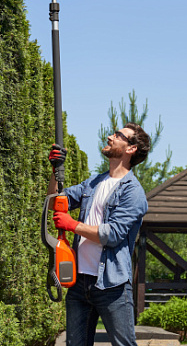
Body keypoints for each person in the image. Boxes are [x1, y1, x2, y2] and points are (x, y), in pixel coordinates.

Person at [50, 122, 150, 346]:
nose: (110, 137)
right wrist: (56, 170)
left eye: (118, 135)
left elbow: (112, 234)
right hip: (79, 283)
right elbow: (55, 202)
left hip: (111, 285)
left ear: (131, 149)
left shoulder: (133, 192)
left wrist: (72, 225)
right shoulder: (94, 183)